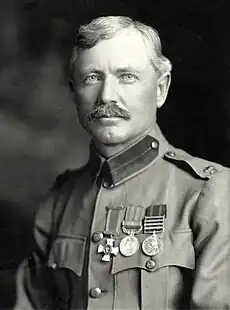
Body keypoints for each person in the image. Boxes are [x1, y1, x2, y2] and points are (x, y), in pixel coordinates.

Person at [15, 16, 230, 310]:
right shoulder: (59, 200)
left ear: (160, 89)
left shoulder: (211, 191)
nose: (106, 95)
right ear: (74, 94)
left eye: (127, 76)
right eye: (92, 77)